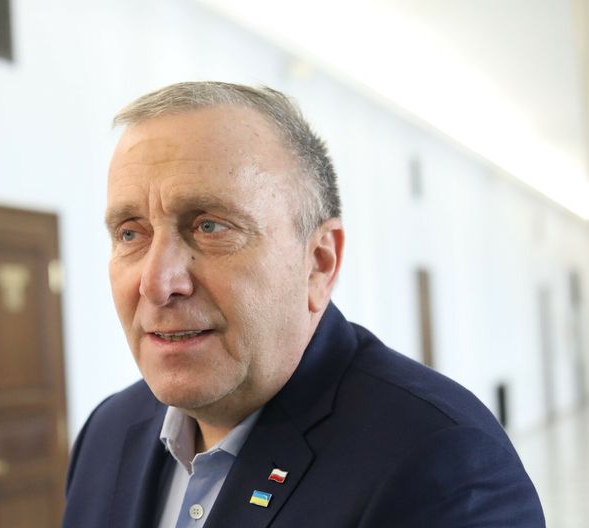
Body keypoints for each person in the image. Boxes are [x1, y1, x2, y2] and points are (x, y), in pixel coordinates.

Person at [62, 81, 544, 528]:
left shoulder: (443, 463)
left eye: (209, 227)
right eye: (130, 233)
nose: (156, 283)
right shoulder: (107, 434)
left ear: (318, 262)